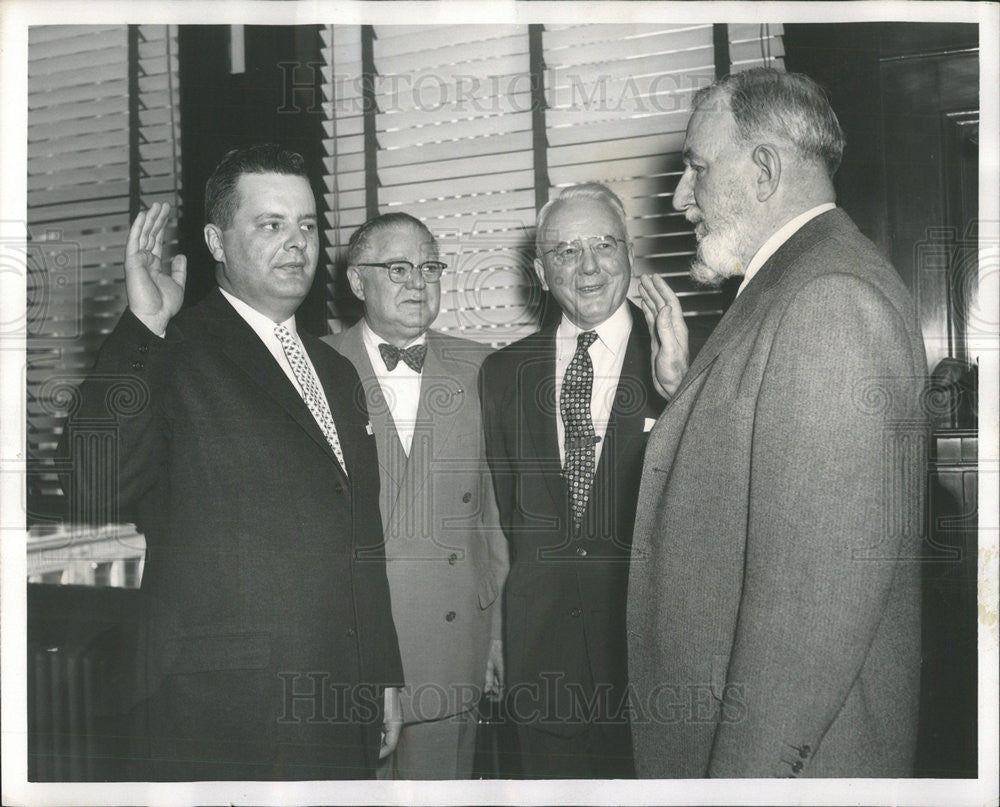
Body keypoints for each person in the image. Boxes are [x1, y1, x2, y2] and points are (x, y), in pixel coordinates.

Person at [61, 144, 404, 780]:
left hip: (337, 705)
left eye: (306, 225)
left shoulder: (335, 369)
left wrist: (381, 676)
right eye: (270, 225)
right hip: (222, 714)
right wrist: (143, 328)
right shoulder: (172, 346)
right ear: (217, 241)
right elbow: (91, 478)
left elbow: (360, 534)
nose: (297, 243)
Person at [627, 68, 928, 778]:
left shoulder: (828, 301)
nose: (678, 198)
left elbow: (808, 626)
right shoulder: (801, 282)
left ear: (763, 170)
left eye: (696, 170)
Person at [479, 183, 665, 778]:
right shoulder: (502, 373)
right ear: (540, 270)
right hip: (542, 669)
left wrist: (680, 388)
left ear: (629, 252)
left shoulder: (690, 358)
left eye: (603, 244)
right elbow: (495, 522)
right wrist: (496, 637)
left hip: (653, 669)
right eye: (564, 251)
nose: (587, 267)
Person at [322, 213, 509, 779]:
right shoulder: (315, 365)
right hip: (349, 643)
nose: (417, 283)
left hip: (454, 643)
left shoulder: (485, 367)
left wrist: (498, 634)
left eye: (429, 267)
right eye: (397, 268)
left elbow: (497, 520)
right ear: (358, 282)